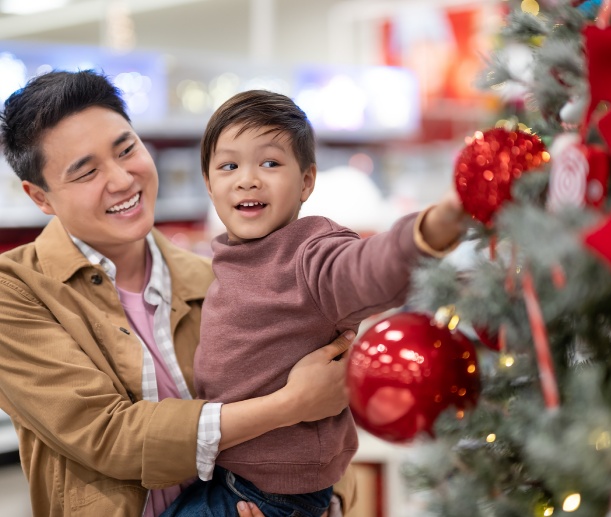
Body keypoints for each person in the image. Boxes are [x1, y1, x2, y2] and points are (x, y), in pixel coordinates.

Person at [0, 70, 359, 517]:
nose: (121, 180)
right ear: (41, 197)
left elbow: (316, 423)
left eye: (126, 149)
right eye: (87, 172)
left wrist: (323, 506)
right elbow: (108, 436)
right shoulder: (16, 293)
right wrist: (289, 405)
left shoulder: (214, 276)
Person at [162, 90, 466, 516]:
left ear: (306, 181)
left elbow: (365, 268)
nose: (248, 178)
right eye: (229, 165)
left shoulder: (310, 252)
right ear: (209, 184)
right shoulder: (230, 257)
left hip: (270, 496)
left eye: (270, 162)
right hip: (233, 475)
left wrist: (427, 232)